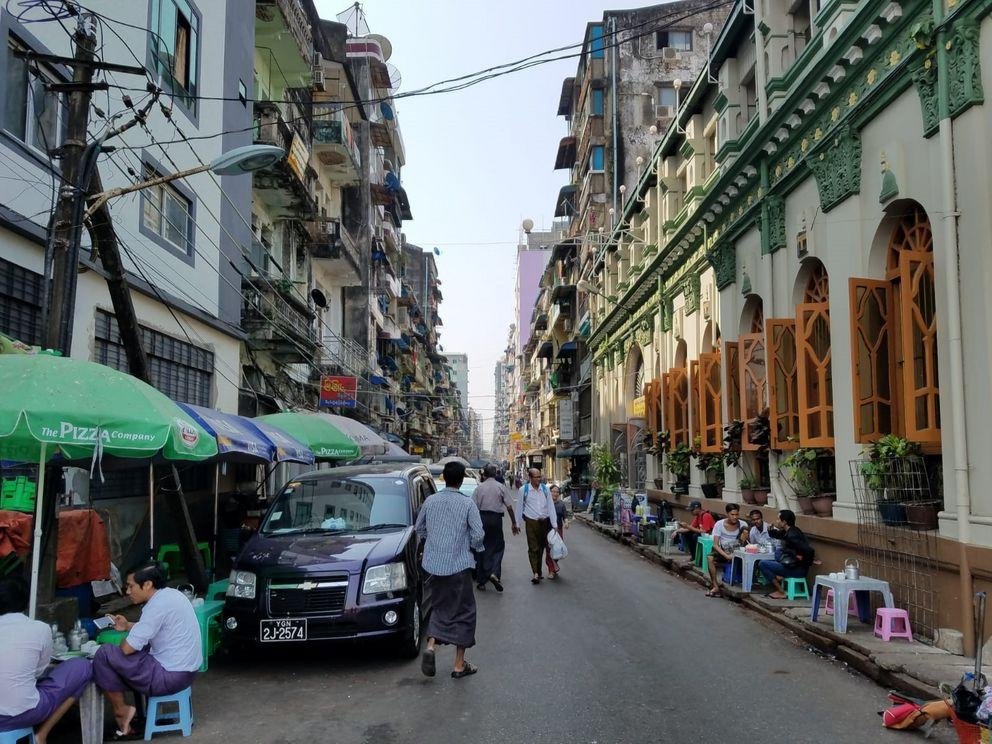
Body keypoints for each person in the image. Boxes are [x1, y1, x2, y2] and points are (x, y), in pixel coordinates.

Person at [92, 563, 202, 738]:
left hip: (170, 676)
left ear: (148, 584)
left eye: (131, 586)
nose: (128, 592)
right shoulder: (172, 595)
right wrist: (128, 625)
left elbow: (127, 648)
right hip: (186, 672)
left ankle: (122, 712)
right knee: (135, 654)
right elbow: (156, 627)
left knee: (104, 654)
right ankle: (139, 714)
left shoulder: (155, 606)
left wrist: (125, 640)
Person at [0, 577, 93, 744]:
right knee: (83, 667)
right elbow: (39, 670)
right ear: (25, 601)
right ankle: (42, 734)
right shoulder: (39, 628)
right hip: (24, 714)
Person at [415, 461, 485, 679]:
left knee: (439, 606)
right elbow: (478, 534)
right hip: (459, 567)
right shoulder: (467, 504)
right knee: (464, 612)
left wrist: (433, 543)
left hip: (434, 567)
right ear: (462, 479)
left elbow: (419, 529)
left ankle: (431, 646)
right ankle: (458, 664)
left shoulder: (430, 501)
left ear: (443, 478)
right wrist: (476, 548)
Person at [472, 464, 519, 591]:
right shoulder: (500, 487)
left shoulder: (479, 488)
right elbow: (509, 506)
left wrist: (473, 526)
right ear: (495, 474)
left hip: (482, 519)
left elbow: (473, 508)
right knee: (498, 547)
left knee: (481, 547)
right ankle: (494, 573)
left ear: (485, 475)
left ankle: (481, 581)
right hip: (496, 519)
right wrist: (514, 523)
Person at [514, 467, 558, 584]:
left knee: (541, 548)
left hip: (544, 522)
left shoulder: (545, 489)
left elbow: (550, 507)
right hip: (531, 522)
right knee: (533, 548)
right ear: (530, 478)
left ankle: (538, 571)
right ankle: (536, 573)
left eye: (540, 477)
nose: (539, 479)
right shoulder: (524, 490)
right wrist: (517, 523)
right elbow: (518, 507)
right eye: (536, 477)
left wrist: (554, 524)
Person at [759, 510, 815, 599]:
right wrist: (770, 530)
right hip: (791, 565)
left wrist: (807, 561)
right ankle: (779, 576)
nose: (777, 521)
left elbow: (809, 550)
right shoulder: (789, 530)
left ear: (784, 522)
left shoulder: (792, 535)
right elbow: (778, 535)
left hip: (797, 570)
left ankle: (781, 591)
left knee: (762, 564)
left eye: (778, 519)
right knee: (778, 552)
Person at [705, 503, 749, 597]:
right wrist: (727, 556)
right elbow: (716, 545)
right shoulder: (719, 524)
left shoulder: (743, 525)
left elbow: (744, 543)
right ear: (727, 514)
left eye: (737, 514)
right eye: (732, 514)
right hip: (723, 551)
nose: (735, 517)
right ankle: (715, 586)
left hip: (738, 551)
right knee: (710, 558)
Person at [544, 484, 569, 579]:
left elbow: (565, 516)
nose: (555, 493)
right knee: (549, 551)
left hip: (558, 530)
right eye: (553, 491)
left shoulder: (561, 504)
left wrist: (566, 523)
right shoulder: (545, 504)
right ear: (549, 492)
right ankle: (551, 570)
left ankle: (554, 564)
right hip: (547, 530)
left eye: (557, 492)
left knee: (558, 550)